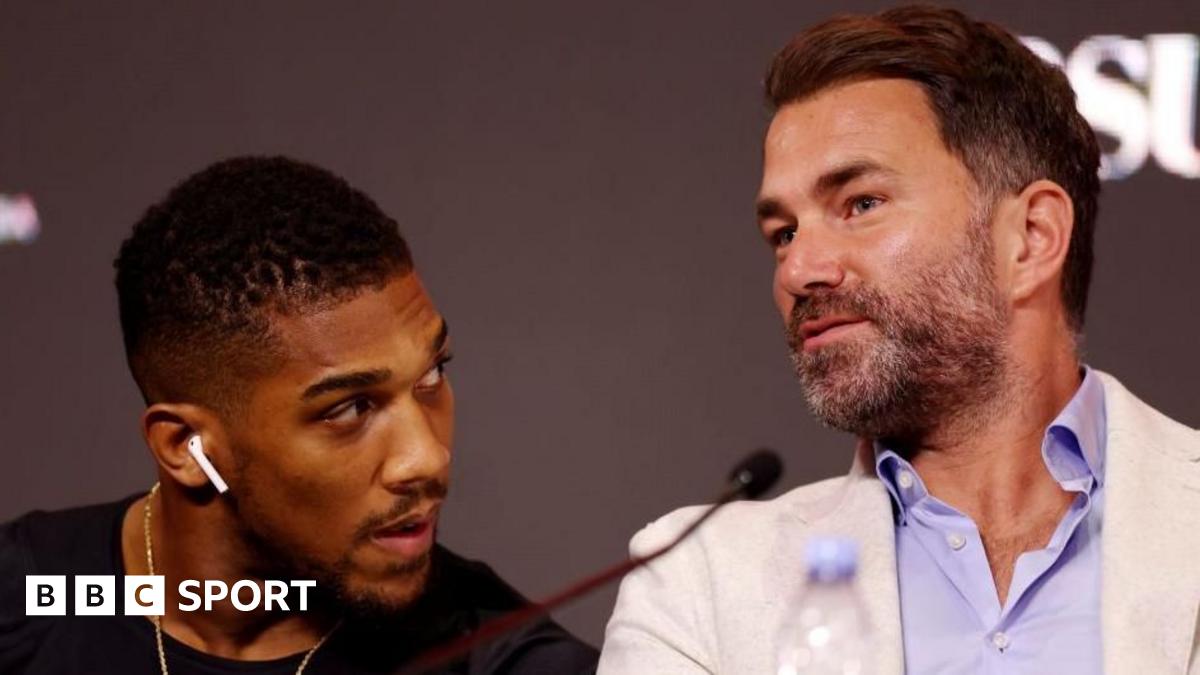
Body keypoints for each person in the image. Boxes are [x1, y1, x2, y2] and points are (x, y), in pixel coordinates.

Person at [599, 6, 1200, 674]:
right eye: (784, 233)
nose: (798, 270)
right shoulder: (696, 584)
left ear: (1030, 238)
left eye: (860, 204)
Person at [0, 157, 599, 674]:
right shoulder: (46, 596)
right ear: (187, 447)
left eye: (432, 376)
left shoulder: (487, 652)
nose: (427, 457)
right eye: (349, 408)